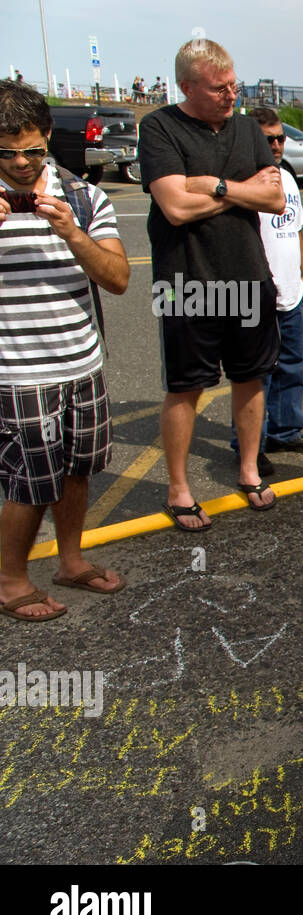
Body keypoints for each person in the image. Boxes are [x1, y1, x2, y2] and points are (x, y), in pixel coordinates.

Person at [139, 38, 286, 530]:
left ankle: (248, 469)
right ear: (186, 86)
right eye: (218, 87)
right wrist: (242, 193)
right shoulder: (158, 127)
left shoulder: (247, 128)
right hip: (185, 283)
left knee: (250, 378)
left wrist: (214, 185)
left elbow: (277, 200)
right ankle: (178, 487)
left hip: (249, 276)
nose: (230, 94)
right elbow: (175, 209)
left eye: (234, 85)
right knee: (186, 387)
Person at [0, 79, 130, 621]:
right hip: (16, 372)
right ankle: (9, 582)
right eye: (7, 153)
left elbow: (118, 277)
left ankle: (70, 560)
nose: (23, 164)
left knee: (77, 469)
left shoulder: (83, 196)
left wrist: (73, 234)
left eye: (33, 150)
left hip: (81, 361)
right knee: (29, 483)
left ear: (49, 136)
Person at [234, 107, 303, 457]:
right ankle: (249, 446)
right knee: (257, 373)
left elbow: (295, 226)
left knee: (291, 363)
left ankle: (286, 430)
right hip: (256, 291)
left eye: (280, 137)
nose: (275, 144)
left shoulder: (285, 175)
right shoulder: (242, 177)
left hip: (290, 289)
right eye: (267, 138)